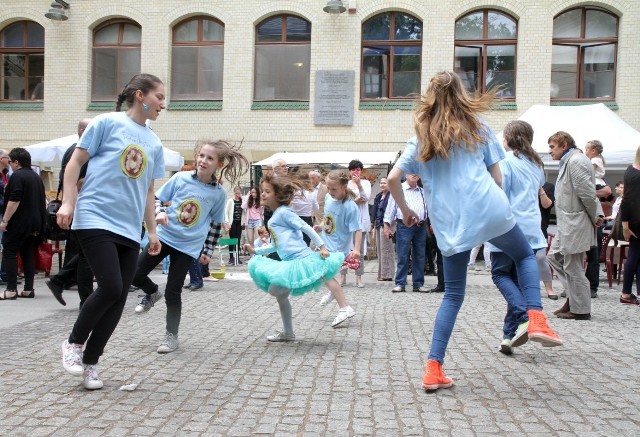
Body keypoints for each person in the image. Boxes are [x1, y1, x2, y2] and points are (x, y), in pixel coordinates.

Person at [387, 71, 562, 391]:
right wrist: (489, 211)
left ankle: (433, 368)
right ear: (461, 93)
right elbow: (496, 177)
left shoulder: (420, 137)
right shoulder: (479, 128)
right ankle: (536, 318)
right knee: (524, 254)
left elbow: (392, 180)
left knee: (453, 296)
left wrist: (408, 211)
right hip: (488, 208)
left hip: (449, 224)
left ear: (430, 97)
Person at [57, 73, 166, 390]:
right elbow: (74, 164)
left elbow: (148, 190)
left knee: (118, 299)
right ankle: (73, 344)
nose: (163, 103)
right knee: (110, 286)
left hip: (129, 228)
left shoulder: (154, 142)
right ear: (139, 96)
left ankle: (90, 363)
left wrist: (152, 232)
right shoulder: (105, 123)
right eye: (159, 96)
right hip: (94, 217)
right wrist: (68, 203)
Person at [131, 139, 247, 353]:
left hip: (187, 247)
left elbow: (215, 224)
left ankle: (170, 336)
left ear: (219, 164)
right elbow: (155, 198)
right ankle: (152, 292)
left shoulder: (219, 193)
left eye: (209, 158)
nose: (203, 160)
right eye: (201, 155)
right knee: (134, 273)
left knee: (173, 292)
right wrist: (159, 212)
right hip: (164, 236)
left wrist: (208, 250)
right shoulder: (180, 178)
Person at [488, 120, 563, 355]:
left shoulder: (506, 163)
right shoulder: (537, 164)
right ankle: (509, 336)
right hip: (532, 229)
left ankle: (527, 316)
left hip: (510, 227)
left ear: (508, 140)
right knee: (519, 282)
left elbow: (500, 192)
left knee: (500, 273)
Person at [243, 173, 346, 342]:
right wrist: (256, 251)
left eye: (267, 191)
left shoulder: (284, 212)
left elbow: (306, 227)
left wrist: (322, 246)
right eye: (263, 191)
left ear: (277, 195)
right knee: (280, 296)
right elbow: (275, 245)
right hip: (289, 262)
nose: (262, 194)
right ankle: (288, 332)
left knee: (276, 291)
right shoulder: (273, 218)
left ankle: (343, 306)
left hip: (300, 259)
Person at [546, 131, 604, 320]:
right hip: (567, 223)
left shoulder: (576, 161)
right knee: (553, 257)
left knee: (573, 266)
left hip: (575, 223)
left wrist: (597, 215)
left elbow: (587, 193)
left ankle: (581, 308)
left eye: (552, 147)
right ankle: (574, 298)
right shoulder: (570, 160)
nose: (549, 151)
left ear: (564, 145)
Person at [45, 117, 93, 306]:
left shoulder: (74, 150)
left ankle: (62, 280)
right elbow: (78, 182)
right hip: (81, 208)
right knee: (86, 253)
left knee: (84, 253)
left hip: (78, 207)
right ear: (82, 131)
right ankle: (82, 297)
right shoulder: (79, 152)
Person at [0, 148, 47, 300]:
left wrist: (5, 221)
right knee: (28, 255)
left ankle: (11, 289)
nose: (10, 165)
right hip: (35, 223)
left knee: (9, 252)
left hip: (19, 223)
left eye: (11, 162)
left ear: (17, 162)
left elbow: (14, 200)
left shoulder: (17, 177)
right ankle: (28, 289)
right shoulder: (36, 177)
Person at [315, 169, 360, 322]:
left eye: (333, 188)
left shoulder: (350, 206)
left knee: (324, 274)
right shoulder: (328, 197)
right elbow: (329, 219)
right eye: (328, 187)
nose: (330, 191)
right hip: (326, 244)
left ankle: (345, 307)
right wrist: (321, 227)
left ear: (344, 186)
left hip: (339, 248)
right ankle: (335, 293)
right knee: (324, 274)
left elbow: (357, 229)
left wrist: (357, 249)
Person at [383, 173, 429, 293]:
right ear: (406, 174)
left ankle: (418, 284)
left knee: (420, 255)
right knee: (403, 254)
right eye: (411, 172)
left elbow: (427, 208)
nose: (414, 175)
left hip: (421, 225)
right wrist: (387, 226)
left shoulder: (423, 192)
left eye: (417, 172)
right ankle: (400, 283)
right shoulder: (399, 190)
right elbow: (390, 208)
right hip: (404, 225)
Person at [343, 160, 371, 288]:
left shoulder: (366, 183)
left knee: (358, 250)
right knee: (343, 250)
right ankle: (342, 277)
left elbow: (365, 198)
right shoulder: (345, 184)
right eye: (353, 169)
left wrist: (359, 185)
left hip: (361, 221)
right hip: (346, 222)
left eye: (358, 169)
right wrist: (355, 201)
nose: (356, 172)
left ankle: (358, 278)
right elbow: (344, 202)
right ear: (349, 171)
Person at [620, 147, 640, 306]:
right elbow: (627, 201)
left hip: (633, 220)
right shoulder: (636, 175)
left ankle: (629, 292)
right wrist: (625, 225)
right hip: (636, 221)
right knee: (634, 256)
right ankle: (627, 293)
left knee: (636, 256)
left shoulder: (630, 170)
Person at [372, 177, 395, 281]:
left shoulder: (392, 196)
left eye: (384, 183)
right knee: (380, 250)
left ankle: (388, 274)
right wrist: (373, 226)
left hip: (388, 224)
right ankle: (381, 273)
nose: (382, 185)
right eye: (381, 183)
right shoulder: (378, 196)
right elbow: (375, 212)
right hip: (378, 224)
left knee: (387, 249)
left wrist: (388, 225)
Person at [224, 186, 244, 264]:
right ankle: (231, 257)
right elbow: (226, 212)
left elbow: (244, 211)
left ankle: (237, 257)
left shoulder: (242, 201)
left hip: (239, 223)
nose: (237, 195)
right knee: (232, 239)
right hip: (232, 223)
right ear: (234, 193)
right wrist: (227, 222)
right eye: (236, 193)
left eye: (239, 193)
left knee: (238, 240)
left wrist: (243, 222)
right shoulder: (230, 201)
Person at [0, 149, 12, 285]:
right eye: (6, 158)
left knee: (4, 243)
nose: (9, 161)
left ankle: (4, 274)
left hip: (3, 210)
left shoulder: (6, 174)